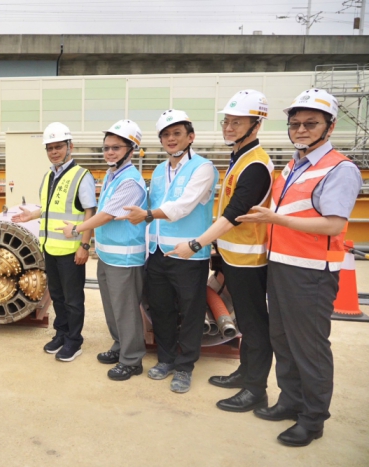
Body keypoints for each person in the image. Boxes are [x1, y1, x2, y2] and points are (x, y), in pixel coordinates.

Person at [237, 89, 363, 447]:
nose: (301, 130)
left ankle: (313, 419)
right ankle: (290, 401)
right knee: (283, 340)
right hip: (281, 265)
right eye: (295, 124)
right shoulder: (294, 165)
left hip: (312, 273)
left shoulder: (340, 169)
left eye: (311, 123)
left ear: (330, 126)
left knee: (309, 347)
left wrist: (276, 219)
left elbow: (333, 224)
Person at [168, 90, 274, 412]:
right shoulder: (240, 157)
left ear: (256, 125)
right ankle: (245, 373)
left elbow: (234, 214)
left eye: (237, 122)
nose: (228, 127)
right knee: (245, 321)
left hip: (249, 259)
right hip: (233, 256)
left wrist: (197, 243)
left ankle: (256, 389)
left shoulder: (255, 166)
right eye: (226, 121)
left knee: (254, 324)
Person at [118, 110, 218, 393]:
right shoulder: (159, 170)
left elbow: (182, 206)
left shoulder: (203, 168)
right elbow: (150, 203)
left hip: (188, 254)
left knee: (191, 311)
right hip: (158, 252)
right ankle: (166, 359)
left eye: (177, 133)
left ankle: (185, 367)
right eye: (165, 135)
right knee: (161, 308)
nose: (171, 139)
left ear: (191, 136)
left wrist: (147, 215)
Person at [60, 119, 148, 381]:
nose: (109, 152)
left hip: (125, 257)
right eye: (106, 147)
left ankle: (132, 360)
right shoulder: (112, 175)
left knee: (126, 310)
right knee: (112, 307)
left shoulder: (130, 181)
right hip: (109, 255)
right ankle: (120, 345)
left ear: (131, 150)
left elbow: (107, 214)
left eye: (116, 148)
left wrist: (77, 230)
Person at [11, 122, 96, 362]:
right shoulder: (49, 175)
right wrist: (32, 215)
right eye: (50, 148)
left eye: (59, 147)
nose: (54, 152)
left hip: (71, 250)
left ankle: (74, 341)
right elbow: (50, 208)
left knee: (73, 299)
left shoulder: (82, 176)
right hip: (50, 248)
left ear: (70, 146)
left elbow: (90, 212)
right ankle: (61, 334)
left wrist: (85, 246)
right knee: (57, 296)